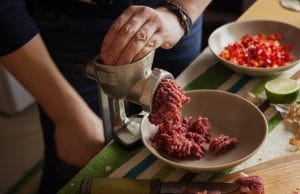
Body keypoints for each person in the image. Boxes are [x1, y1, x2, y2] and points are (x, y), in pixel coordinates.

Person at [0, 0, 211, 193]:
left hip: (172, 17)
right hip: (70, 25)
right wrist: (66, 115)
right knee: (78, 166)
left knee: (181, 159)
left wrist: (180, 13)